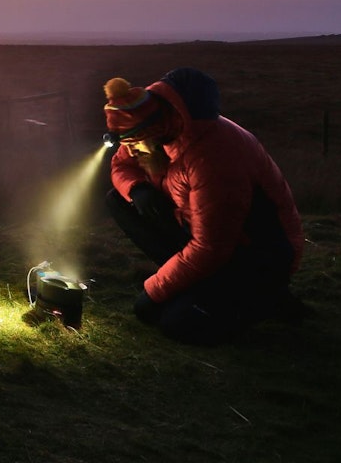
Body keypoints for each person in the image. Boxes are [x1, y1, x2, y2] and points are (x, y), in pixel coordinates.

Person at [102, 67, 306, 344]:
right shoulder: (156, 125)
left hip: (256, 254)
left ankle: (265, 299)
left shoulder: (212, 158)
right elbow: (122, 164)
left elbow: (212, 247)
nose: (131, 150)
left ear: (151, 133)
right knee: (119, 199)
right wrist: (138, 190)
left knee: (177, 323)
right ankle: (201, 288)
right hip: (202, 234)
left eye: (134, 144)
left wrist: (152, 292)